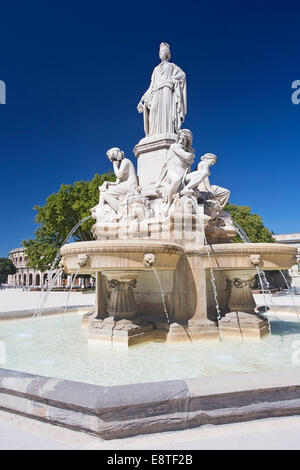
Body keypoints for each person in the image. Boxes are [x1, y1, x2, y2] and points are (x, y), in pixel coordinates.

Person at [137, 43, 187, 136]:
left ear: (167, 53)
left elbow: (182, 75)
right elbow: (151, 85)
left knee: (166, 112)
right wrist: (142, 99)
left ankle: (168, 132)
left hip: (167, 90)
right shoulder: (156, 69)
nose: (161, 53)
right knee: (154, 111)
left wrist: (173, 79)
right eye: (160, 51)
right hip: (156, 91)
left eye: (163, 51)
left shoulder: (172, 66)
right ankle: (153, 134)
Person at [156, 129, 194, 216]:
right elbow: (186, 156)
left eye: (184, 140)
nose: (181, 141)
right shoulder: (174, 146)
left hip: (183, 175)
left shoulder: (186, 151)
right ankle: (168, 203)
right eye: (180, 138)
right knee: (176, 180)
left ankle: (183, 194)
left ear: (187, 142)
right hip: (172, 172)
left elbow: (188, 168)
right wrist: (192, 156)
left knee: (201, 174)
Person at [92, 148, 138, 216]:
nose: (112, 161)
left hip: (130, 186)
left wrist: (115, 166)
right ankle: (100, 206)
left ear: (116, 156)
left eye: (113, 159)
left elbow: (119, 175)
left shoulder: (126, 161)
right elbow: (117, 183)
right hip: (125, 185)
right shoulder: (122, 164)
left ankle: (121, 211)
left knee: (106, 194)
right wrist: (107, 183)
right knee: (103, 189)